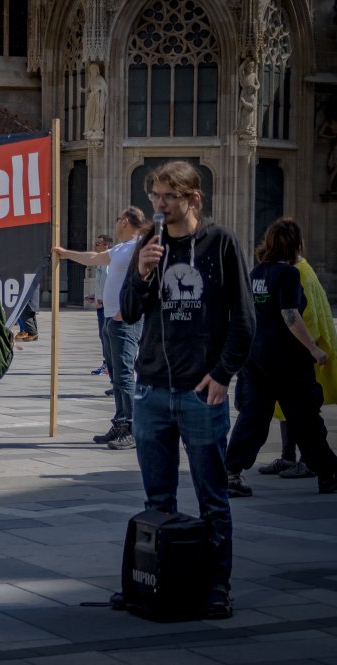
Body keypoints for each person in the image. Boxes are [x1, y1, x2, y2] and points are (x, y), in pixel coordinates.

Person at [120, 160, 255, 619]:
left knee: (212, 497)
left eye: (168, 197)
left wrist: (223, 373)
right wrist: (141, 273)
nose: (159, 205)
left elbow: (244, 319)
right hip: (152, 389)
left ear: (194, 198)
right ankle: (158, 583)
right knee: (157, 499)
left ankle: (217, 586)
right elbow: (128, 312)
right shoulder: (149, 243)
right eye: (154, 196)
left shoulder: (221, 243)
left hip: (200, 391)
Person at [224, 219, 337, 497]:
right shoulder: (288, 274)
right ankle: (328, 474)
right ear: (296, 244)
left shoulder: (256, 273)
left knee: (253, 417)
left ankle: (230, 472)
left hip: (256, 358)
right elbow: (290, 314)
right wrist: (313, 349)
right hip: (287, 360)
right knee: (306, 419)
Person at [54, 207, 148, 450]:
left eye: (118, 220)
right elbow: (93, 258)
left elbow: (148, 279)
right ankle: (120, 422)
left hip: (124, 320)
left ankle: (133, 428)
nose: (115, 225)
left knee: (124, 375)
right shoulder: (120, 249)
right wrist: (66, 254)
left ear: (125, 221)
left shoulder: (139, 247)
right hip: (111, 319)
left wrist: (126, 310)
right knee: (116, 376)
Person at [258, 254, 337, 479]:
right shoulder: (294, 270)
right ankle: (289, 457)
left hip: (302, 353)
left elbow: (307, 314)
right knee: (289, 407)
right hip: (291, 351)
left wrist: (309, 348)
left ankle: (309, 462)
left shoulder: (299, 272)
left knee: (305, 411)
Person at [89, 234, 114, 375]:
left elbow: (110, 282)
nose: (95, 246)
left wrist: (103, 299)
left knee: (106, 336)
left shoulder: (108, 261)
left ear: (106, 245)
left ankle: (108, 364)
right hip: (101, 304)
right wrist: (95, 295)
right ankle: (108, 363)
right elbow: (103, 283)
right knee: (103, 335)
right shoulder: (101, 261)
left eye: (98, 244)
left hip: (106, 306)